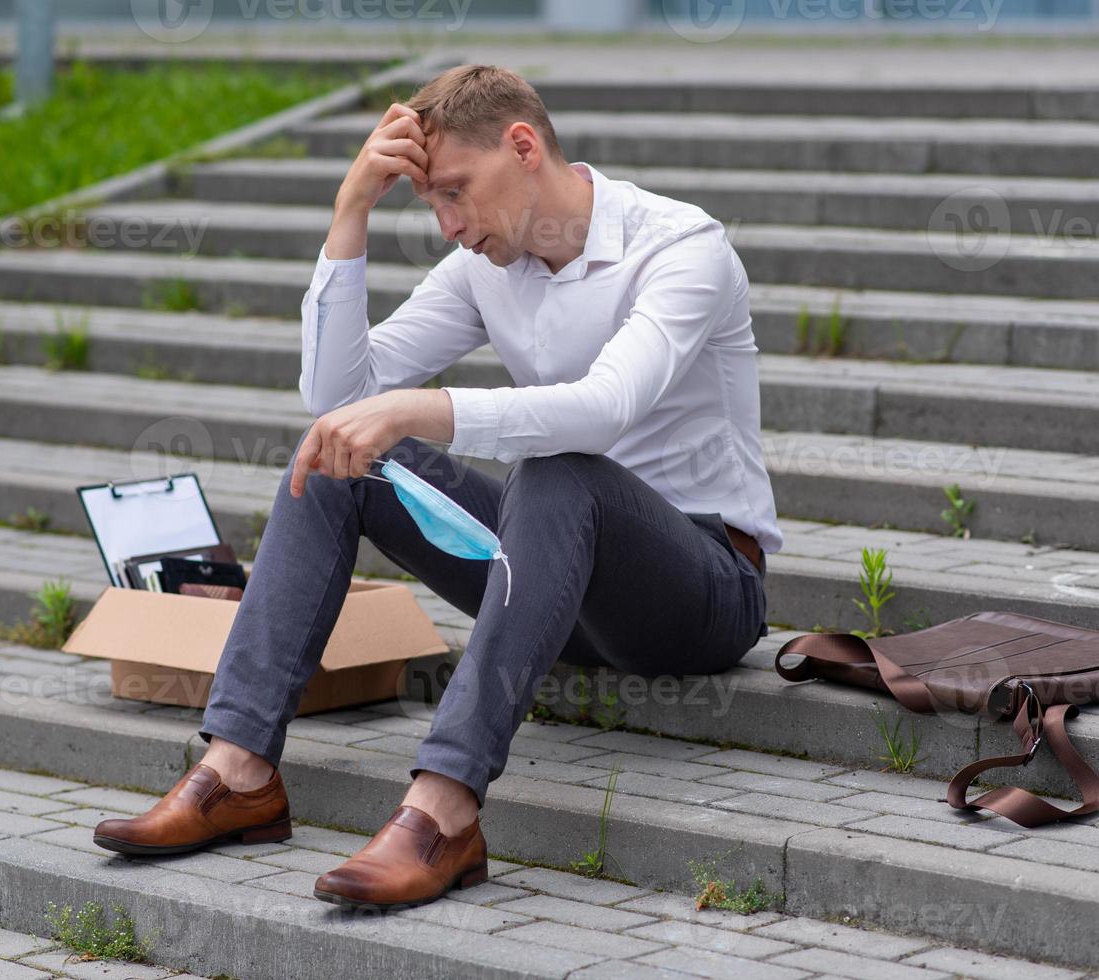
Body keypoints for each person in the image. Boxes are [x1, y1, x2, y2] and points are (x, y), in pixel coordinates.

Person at [93, 64, 781, 912]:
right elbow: (340, 400)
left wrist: (421, 408)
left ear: (523, 146)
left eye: (456, 192)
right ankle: (237, 769)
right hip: (556, 585)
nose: (450, 226)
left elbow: (603, 411)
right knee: (339, 458)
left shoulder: (681, 249)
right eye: (432, 204)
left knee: (560, 469)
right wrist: (350, 213)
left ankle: (445, 810)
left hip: (700, 589)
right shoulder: (483, 265)